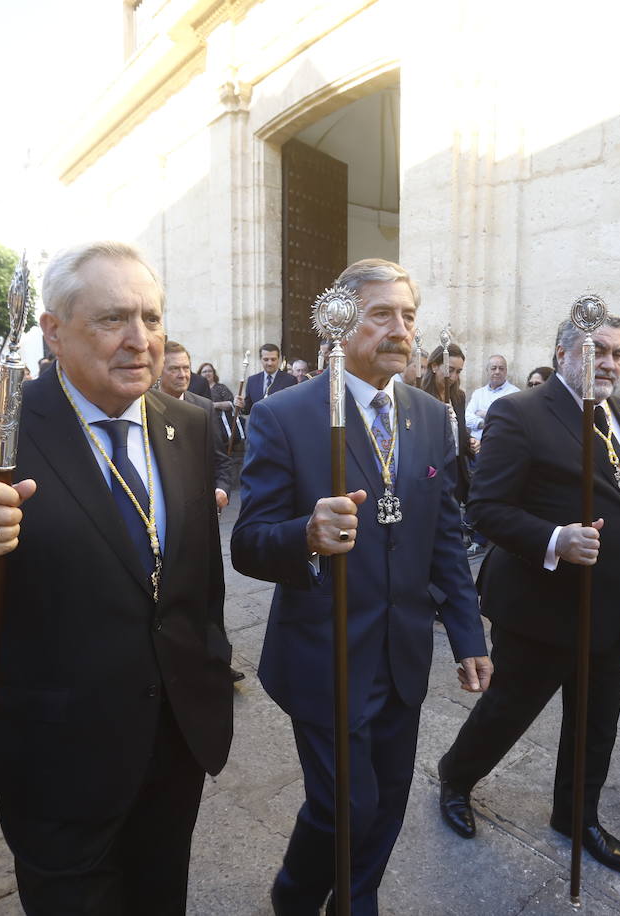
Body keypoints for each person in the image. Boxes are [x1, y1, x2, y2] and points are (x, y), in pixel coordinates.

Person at [0, 241, 233, 912]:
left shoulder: (189, 424)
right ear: (54, 331)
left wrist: (211, 663)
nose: (140, 341)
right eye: (112, 319)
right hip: (56, 764)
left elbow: (195, 580)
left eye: (152, 319)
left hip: (176, 741)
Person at [231, 258, 490, 915]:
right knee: (347, 803)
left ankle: (358, 897)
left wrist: (467, 634)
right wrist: (306, 536)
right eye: (382, 314)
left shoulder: (432, 416)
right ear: (342, 324)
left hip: (402, 653)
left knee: (390, 800)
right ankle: (295, 895)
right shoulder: (284, 415)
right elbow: (249, 541)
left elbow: (444, 536)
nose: (400, 329)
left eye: (408, 316)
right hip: (323, 653)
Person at [437, 315, 620, 875]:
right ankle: (457, 777)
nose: (609, 363)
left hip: (612, 604)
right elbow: (486, 507)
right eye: (597, 351)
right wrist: (556, 538)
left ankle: (577, 815)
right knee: (508, 711)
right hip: (544, 604)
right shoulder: (523, 412)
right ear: (562, 353)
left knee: (596, 722)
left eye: (618, 353)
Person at [160, 341, 231, 508]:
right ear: (158, 370)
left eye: (186, 368)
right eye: (174, 369)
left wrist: (221, 490)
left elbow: (220, 459)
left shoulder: (204, 406)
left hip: (200, 506)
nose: (182, 375)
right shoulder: (145, 406)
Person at [417, 343, 473, 502]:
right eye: (450, 370)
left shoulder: (458, 396)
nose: (454, 377)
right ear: (434, 366)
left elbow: (459, 429)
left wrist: (470, 441)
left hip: (456, 464)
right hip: (433, 466)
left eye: (459, 371)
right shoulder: (420, 395)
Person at [235, 342, 297, 423]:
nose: (270, 363)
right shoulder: (252, 380)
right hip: (258, 427)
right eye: (266, 359)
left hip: (280, 426)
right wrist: (242, 405)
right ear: (261, 359)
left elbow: (293, 407)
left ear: (279, 359)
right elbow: (248, 409)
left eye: (273, 359)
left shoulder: (290, 380)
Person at [465, 354, 519, 445]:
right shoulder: (478, 393)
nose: (497, 372)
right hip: (475, 447)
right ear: (487, 371)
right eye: (493, 368)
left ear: (506, 371)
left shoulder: (515, 393)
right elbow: (467, 419)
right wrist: (493, 421)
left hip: (501, 446)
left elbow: (510, 422)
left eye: (501, 368)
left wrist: (484, 414)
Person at [198, 362, 236, 445]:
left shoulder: (221, 387)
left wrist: (214, 405)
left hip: (221, 425)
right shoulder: (198, 389)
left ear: (213, 373)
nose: (207, 373)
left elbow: (231, 404)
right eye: (204, 372)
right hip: (202, 424)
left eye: (209, 371)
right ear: (199, 374)